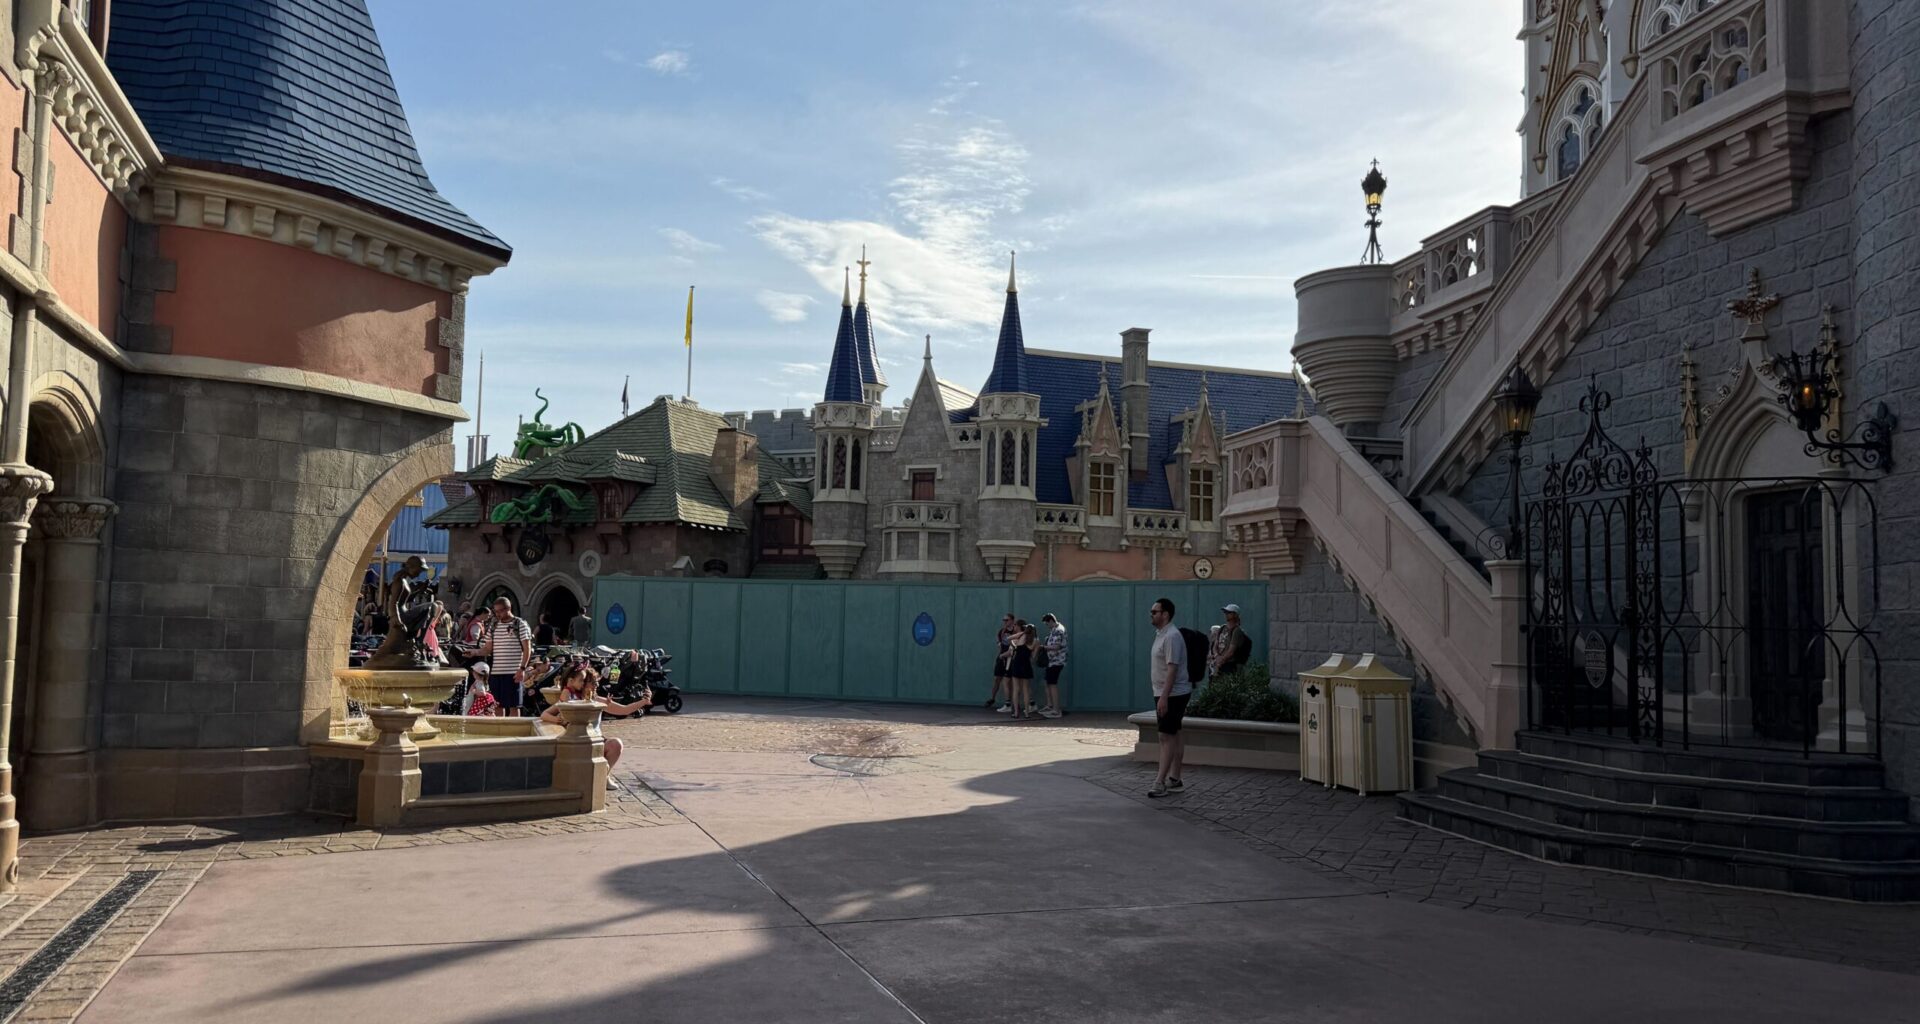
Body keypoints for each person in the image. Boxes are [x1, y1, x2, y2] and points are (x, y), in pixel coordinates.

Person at [541, 663, 649, 789]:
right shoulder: (572, 699)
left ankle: (604, 776)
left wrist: (644, 702)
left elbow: (623, 710)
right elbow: (545, 713)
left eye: (596, 682)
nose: (596, 685)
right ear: (583, 684)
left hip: (596, 741)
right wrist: (557, 720)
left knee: (616, 744)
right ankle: (597, 777)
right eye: (592, 682)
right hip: (578, 743)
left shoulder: (596, 699)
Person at [1147, 597, 1190, 798]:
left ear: (1165, 614)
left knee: (1165, 736)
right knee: (1174, 733)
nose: (1152, 614)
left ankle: (1160, 782)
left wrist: (1164, 698)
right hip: (1166, 693)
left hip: (1172, 694)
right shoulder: (1161, 634)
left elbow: (1172, 669)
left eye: (1155, 612)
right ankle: (1175, 778)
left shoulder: (1171, 636)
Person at [477, 596, 533, 717]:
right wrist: (473, 652)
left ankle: (514, 732)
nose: (497, 614)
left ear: (508, 608)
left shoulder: (520, 624)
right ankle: (499, 733)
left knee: (514, 706)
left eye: (500, 611)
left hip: (513, 672)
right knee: (497, 705)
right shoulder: (494, 625)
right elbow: (487, 649)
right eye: (495, 611)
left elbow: (527, 648)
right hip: (496, 672)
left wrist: (522, 669)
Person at [1209, 604, 1253, 679]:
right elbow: (1215, 644)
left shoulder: (1237, 631)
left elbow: (1231, 651)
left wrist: (1221, 660)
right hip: (1217, 663)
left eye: (1229, 612)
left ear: (1235, 615)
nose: (1226, 614)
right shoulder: (1222, 628)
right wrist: (1217, 656)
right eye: (1225, 612)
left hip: (1229, 665)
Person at [1007, 622, 1038, 720]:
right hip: (1026, 665)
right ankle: (1027, 713)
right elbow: (1033, 657)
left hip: (1017, 664)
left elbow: (1009, 638)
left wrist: (1021, 634)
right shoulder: (1036, 641)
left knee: (1016, 689)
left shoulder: (1021, 637)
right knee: (1026, 690)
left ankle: (1016, 712)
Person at [1039, 613, 1068, 719]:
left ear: (1051, 621)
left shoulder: (1058, 630)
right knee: (1048, 683)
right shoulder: (1054, 630)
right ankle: (1051, 706)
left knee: (1052, 684)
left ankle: (1056, 710)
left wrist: (1043, 647)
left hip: (1057, 661)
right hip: (1051, 662)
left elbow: (1056, 646)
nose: (1047, 626)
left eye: (1047, 623)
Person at [988, 613, 1016, 711]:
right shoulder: (1002, 632)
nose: (1005, 622)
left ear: (1012, 620)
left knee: (1009, 681)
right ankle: (992, 698)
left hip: (1011, 658)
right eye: (1004, 620)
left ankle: (1009, 703)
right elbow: (999, 642)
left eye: (1007, 620)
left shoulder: (1016, 631)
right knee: (997, 678)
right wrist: (1000, 647)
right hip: (1001, 657)